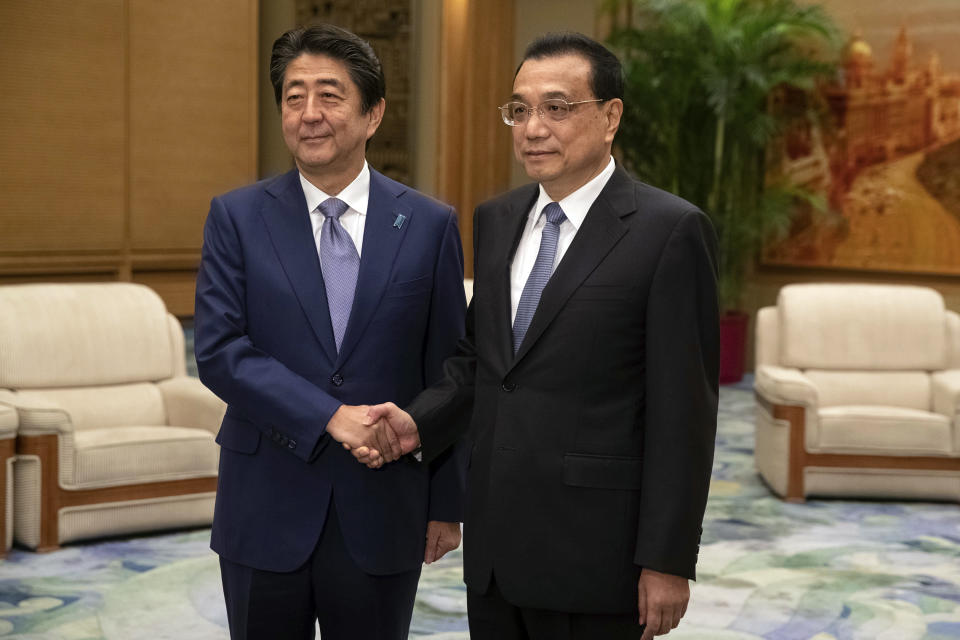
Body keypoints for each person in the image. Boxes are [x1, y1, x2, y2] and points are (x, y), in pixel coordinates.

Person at [354, 32, 720, 640]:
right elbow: (483, 361)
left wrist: (668, 560)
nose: (532, 128)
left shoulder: (670, 230)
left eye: (557, 107)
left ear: (610, 117)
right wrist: (418, 423)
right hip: (497, 551)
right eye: (519, 110)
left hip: (598, 552)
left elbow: (685, 413)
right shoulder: (498, 219)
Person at [194, 24, 467, 640]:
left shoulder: (428, 225)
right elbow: (219, 352)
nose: (309, 114)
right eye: (294, 97)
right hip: (264, 503)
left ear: (373, 114)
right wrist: (330, 416)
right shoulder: (236, 218)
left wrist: (447, 503)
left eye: (329, 95)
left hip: (384, 506)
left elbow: (450, 370)